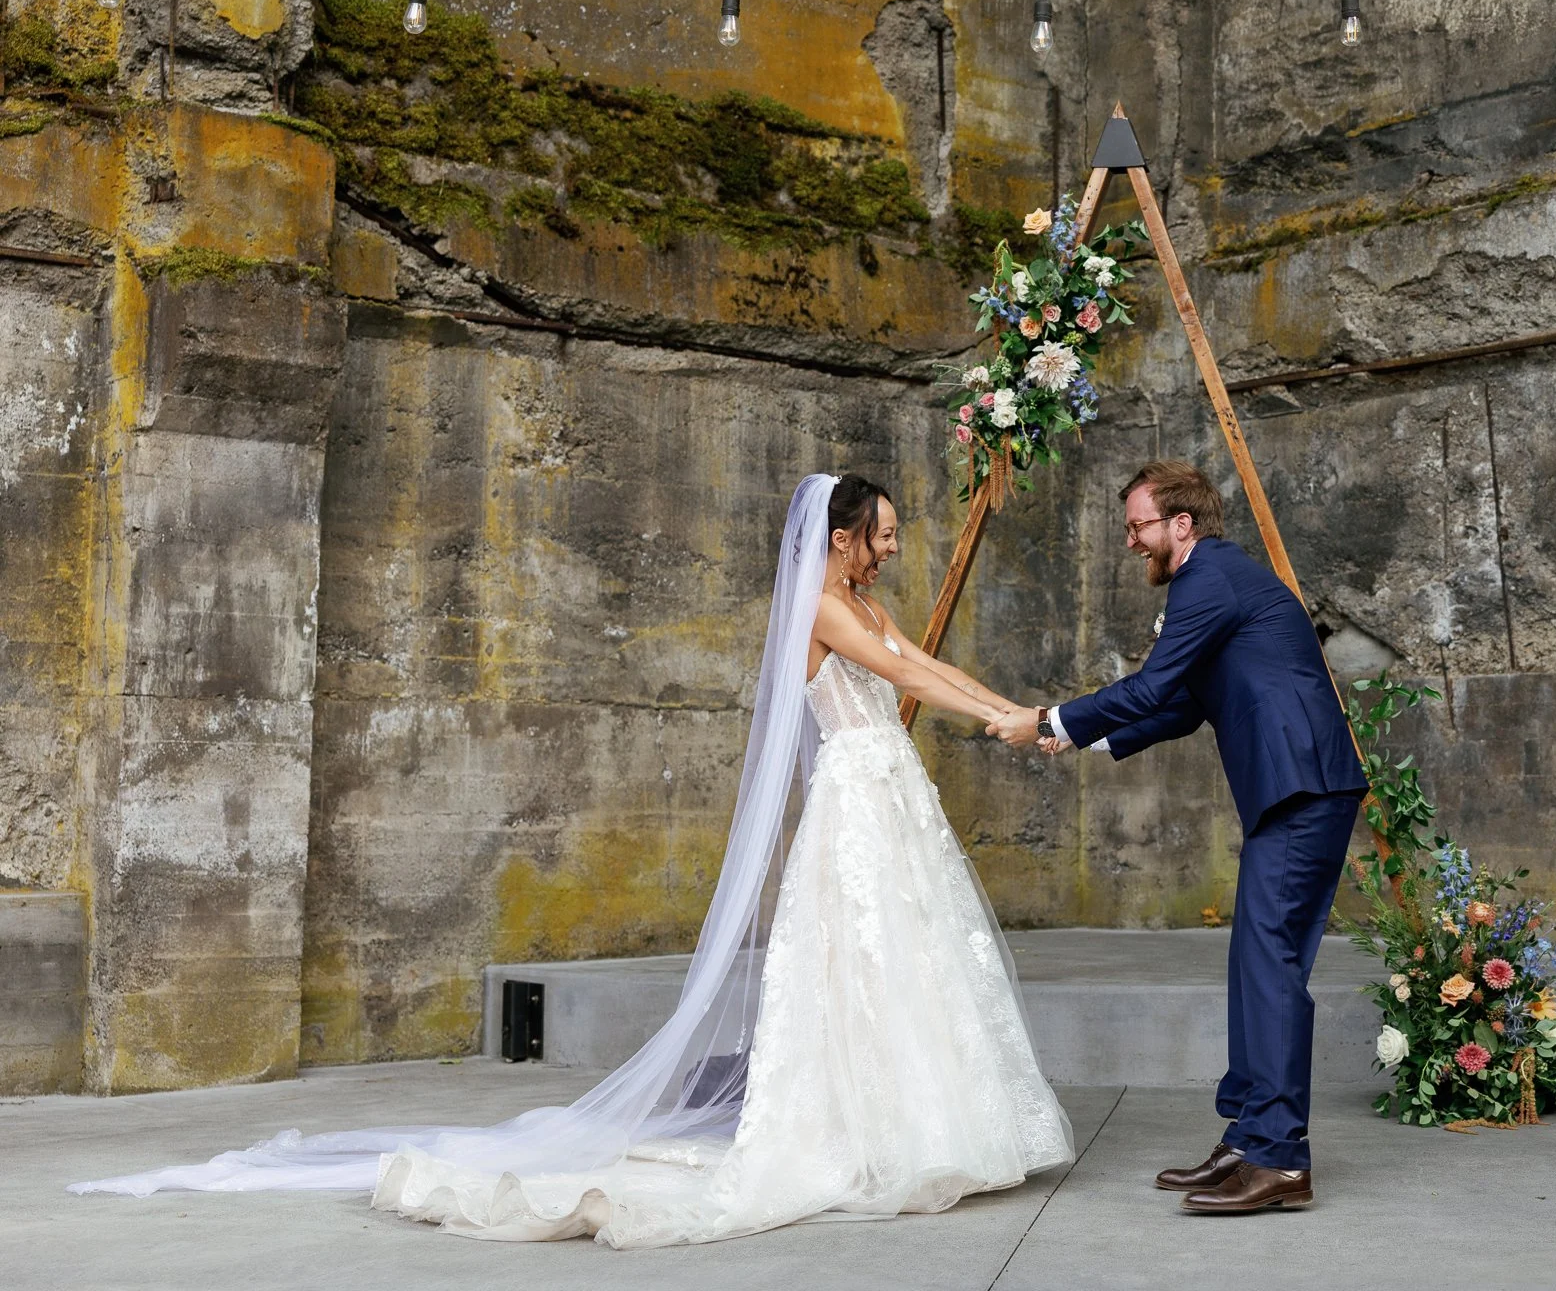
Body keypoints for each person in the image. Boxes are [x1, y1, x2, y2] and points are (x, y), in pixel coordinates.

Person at [71, 473, 1073, 1247]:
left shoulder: (864, 601)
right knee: (861, 958)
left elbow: (923, 660)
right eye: (883, 533)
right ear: (844, 535)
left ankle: (925, 1118)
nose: (893, 547)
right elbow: (901, 675)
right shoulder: (821, 606)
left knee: (909, 955)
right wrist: (1007, 720)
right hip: (856, 801)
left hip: (890, 794)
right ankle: (874, 1129)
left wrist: (1021, 711)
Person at [989, 460, 1365, 1214]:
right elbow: (1186, 703)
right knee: (1257, 963)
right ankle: (1251, 1137)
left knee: (1271, 965)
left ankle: (1280, 1157)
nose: (1131, 541)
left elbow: (1155, 685)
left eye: (1138, 526)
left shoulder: (1208, 578)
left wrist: (1050, 718)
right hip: (1297, 787)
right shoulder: (1216, 579)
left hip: (1304, 785)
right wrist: (1085, 738)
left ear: (1181, 524)